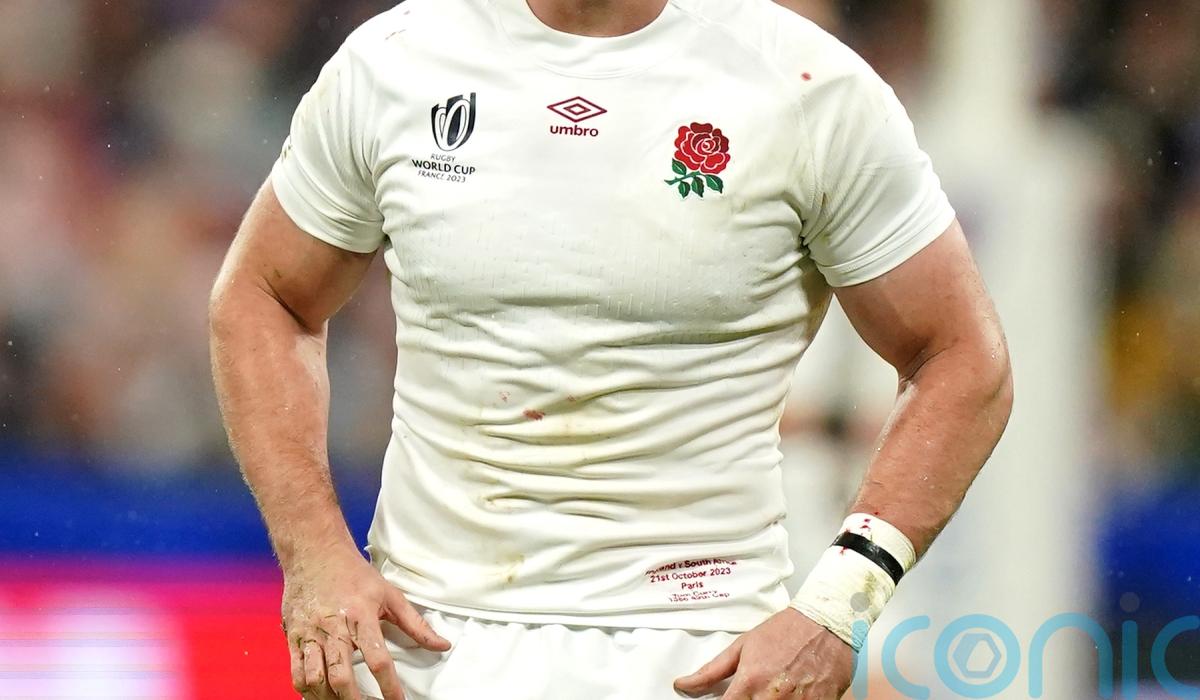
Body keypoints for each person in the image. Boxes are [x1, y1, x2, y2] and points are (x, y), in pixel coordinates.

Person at [208, 0, 1013, 698]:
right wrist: (313, 554)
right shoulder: (396, 62)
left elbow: (962, 356)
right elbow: (262, 295)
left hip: (702, 651)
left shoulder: (807, 86)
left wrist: (839, 606)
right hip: (426, 645)